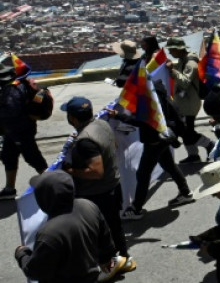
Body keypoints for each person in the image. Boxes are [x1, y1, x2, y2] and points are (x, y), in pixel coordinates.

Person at [60, 97, 135, 280]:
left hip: (97, 193)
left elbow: (96, 172)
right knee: (115, 226)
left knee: (99, 232)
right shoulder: (102, 124)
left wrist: (70, 170)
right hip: (113, 186)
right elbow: (114, 146)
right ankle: (124, 258)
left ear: (74, 118)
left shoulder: (85, 140)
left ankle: (109, 267)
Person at [113, 78, 195, 220]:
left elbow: (141, 121)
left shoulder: (150, 101)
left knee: (143, 175)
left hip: (153, 141)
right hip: (163, 139)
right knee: (168, 165)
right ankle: (185, 192)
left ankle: (136, 209)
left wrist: (118, 116)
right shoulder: (162, 94)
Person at [14, 170, 116, 283]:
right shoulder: (88, 206)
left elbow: (35, 271)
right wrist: (105, 259)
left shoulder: (49, 233)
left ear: (44, 198)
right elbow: (106, 241)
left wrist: (22, 254)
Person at [0, 65, 48, 200]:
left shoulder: (10, 90)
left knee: (33, 157)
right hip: (14, 131)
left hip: (20, 130)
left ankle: (55, 185)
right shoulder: (19, 84)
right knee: (8, 157)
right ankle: (9, 189)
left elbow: (11, 112)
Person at [166, 37, 214, 164]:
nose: (170, 53)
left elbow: (185, 82)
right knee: (185, 131)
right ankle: (193, 155)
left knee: (187, 132)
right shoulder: (183, 60)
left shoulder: (190, 64)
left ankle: (209, 144)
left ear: (178, 49)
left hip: (189, 103)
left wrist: (173, 70)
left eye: (171, 50)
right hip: (183, 103)